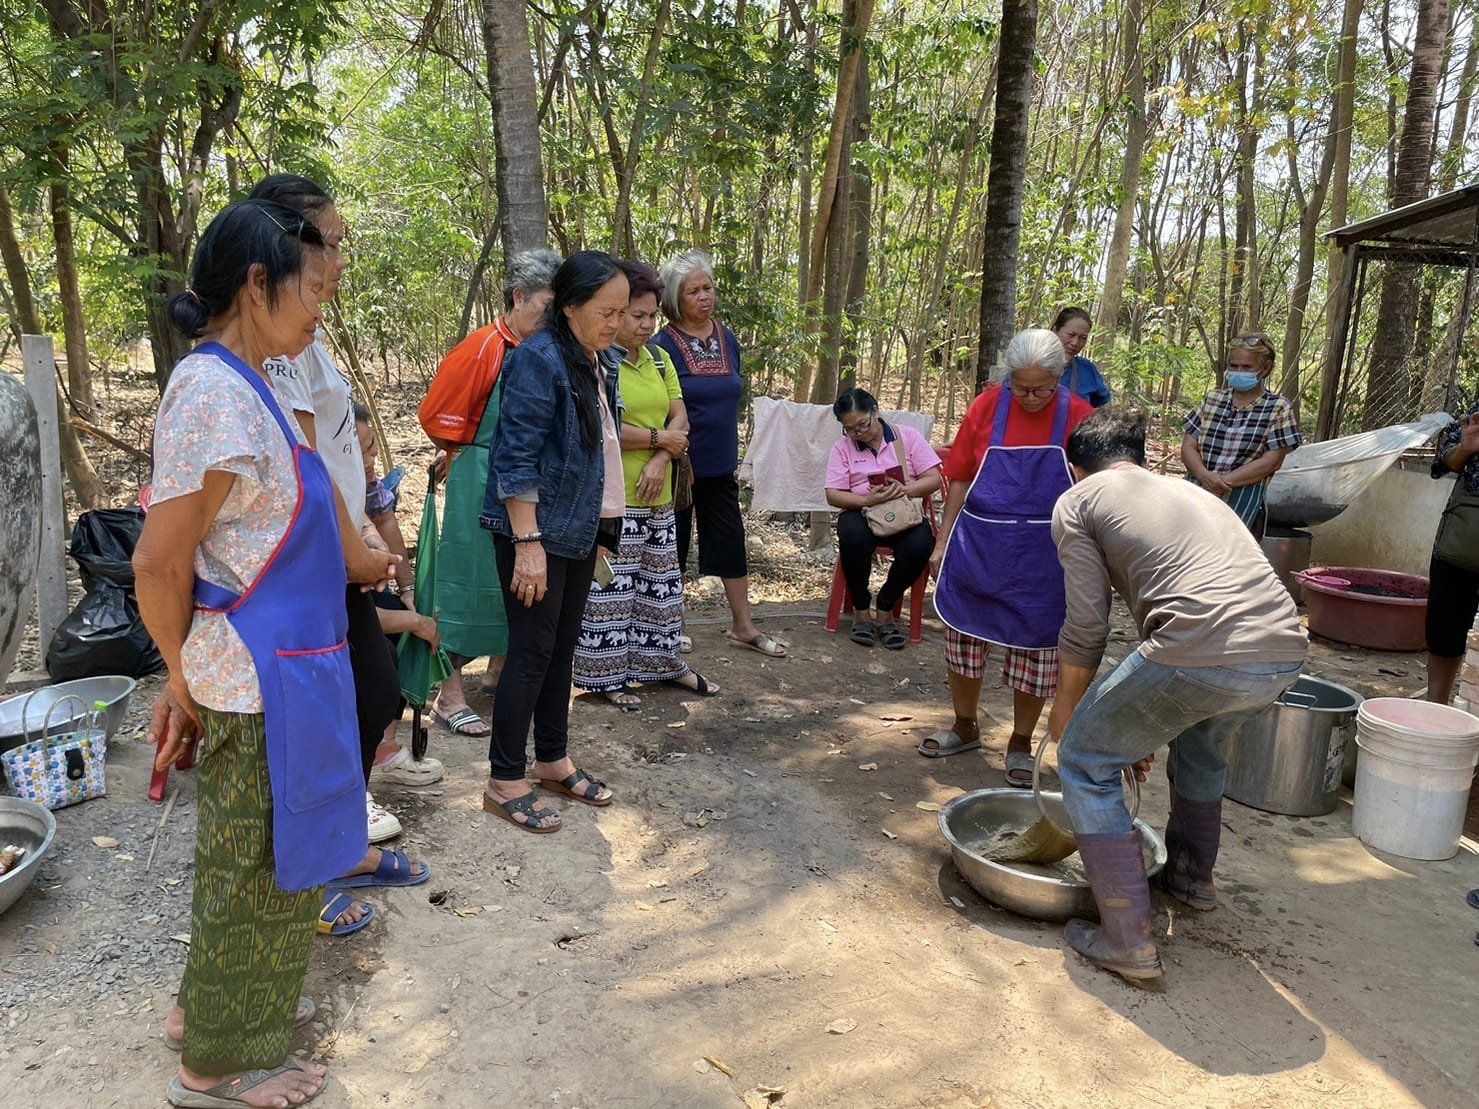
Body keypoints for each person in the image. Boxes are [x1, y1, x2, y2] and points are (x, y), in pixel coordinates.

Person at [135, 199, 395, 1107]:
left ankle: (206, 1011)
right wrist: (179, 676)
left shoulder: (256, 385)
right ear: (257, 284)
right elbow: (160, 561)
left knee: (260, 859)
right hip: (253, 675)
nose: (321, 305)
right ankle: (216, 1066)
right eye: (310, 289)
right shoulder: (211, 393)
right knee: (256, 869)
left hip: (286, 667)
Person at [1047, 409, 1306, 983]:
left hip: (1200, 647)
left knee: (1086, 761)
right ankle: (1191, 879)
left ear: (1074, 467)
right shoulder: (1191, 494)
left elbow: (1086, 628)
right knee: (1200, 749)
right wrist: (1134, 725)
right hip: (1282, 651)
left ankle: (1127, 942)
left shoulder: (1079, 499)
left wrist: (1065, 719)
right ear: (1138, 459)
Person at [249, 174, 431, 925]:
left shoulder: (308, 331)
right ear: (287, 245)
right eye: (332, 242)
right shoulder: (273, 340)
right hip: (307, 563)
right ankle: (306, 870)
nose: (341, 259)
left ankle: (338, 840)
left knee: (373, 695)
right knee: (323, 715)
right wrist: (352, 546)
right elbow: (304, 463)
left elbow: (332, 449)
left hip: (337, 553)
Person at [480, 251, 627, 833]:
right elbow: (514, 457)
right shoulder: (537, 360)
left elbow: (601, 450)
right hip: (535, 531)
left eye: (621, 312)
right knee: (531, 651)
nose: (616, 323)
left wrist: (604, 530)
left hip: (576, 528)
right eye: (606, 311)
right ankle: (503, 779)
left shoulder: (599, 360)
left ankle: (551, 759)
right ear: (568, 306)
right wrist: (527, 544)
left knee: (562, 648)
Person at [924, 329, 1094, 782]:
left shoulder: (1079, 416)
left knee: (1035, 652)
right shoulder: (986, 407)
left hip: (1046, 558)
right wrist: (942, 542)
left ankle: (1020, 742)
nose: (1031, 397)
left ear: (1059, 378)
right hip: (980, 548)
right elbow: (960, 476)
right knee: (964, 641)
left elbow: (1094, 493)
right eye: (1021, 388)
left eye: (1042, 389)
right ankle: (964, 725)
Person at [420, 249, 563, 736]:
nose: (551, 317)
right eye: (546, 305)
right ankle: (448, 694)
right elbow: (437, 414)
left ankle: (500, 670)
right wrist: (459, 447)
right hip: (480, 479)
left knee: (519, 582)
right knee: (467, 582)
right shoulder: (483, 346)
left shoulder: (549, 350)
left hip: (532, 480)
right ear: (519, 297)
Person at [573, 260, 719, 707]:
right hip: (616, 499)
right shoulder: (600, 363)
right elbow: (604, 427)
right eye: (635, 315)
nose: (644, 324)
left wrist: (659, 457)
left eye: (651, 315)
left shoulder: (659, 358)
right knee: (612, 591)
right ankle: (606, 677)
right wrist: (661, 441)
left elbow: (680, 417)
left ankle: (663, 664)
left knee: (661, 586)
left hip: (660, 494)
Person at [652, 249, 786, 658]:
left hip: (721, 465)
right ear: (675, 299)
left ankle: (743, 626)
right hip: (677, 467)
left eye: (707, 287)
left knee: (730, 541)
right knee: (672, 547)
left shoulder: (727, 338)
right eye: (693, 291)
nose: (704, 296)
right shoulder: (662, 347)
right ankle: (671, 628)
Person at [356, 403, 446, 788]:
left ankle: (384, 748)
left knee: (398, 625)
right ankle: (370, 756)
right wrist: (415, 621)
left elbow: (386, 523)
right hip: (333, 607)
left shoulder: (366, 488)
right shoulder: (328, 495)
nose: (371, 462)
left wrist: (408, 592)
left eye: (373, 450)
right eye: (362, 451)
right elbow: (348, 612)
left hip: (365, 587)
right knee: (383, 656)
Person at [824, 388, 942, 649]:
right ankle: (861, 609)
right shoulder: (843, 448)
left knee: (920, 544)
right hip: (862, 510)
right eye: (850, 430)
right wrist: (867, 500)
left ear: (875, 411)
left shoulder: (907, 437)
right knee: (852, 537)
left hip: (902, 509)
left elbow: (934, 478)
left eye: (863, 425)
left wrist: (906, 489)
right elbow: (833, 494)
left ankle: (886, 605)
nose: (858, 433)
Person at [1180, 331, 1300, 539]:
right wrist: (1205, 477)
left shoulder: (1278, 408)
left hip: (1241, 499)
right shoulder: (1213, 400)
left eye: (1246, 367)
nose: (1238, 371)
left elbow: (1271, 461)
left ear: (1265, 369)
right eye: (1234, 366)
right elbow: (1188, 445)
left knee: (1226, 550)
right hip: (1196, 491)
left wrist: (1222, 482)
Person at [1423, 407, 1479, 704]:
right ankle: (1436, 707)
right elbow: (1443, 463)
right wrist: (1466, 448)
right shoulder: (1475, 414)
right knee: (1446, 628)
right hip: (1463, 538)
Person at [1051, 307, 1112, 408]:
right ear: (1055, 330)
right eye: (1071, 335)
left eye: (1082, 338)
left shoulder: (1087, 369)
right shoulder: (1032, 363)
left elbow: (1103, 404)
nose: (1075, 343)